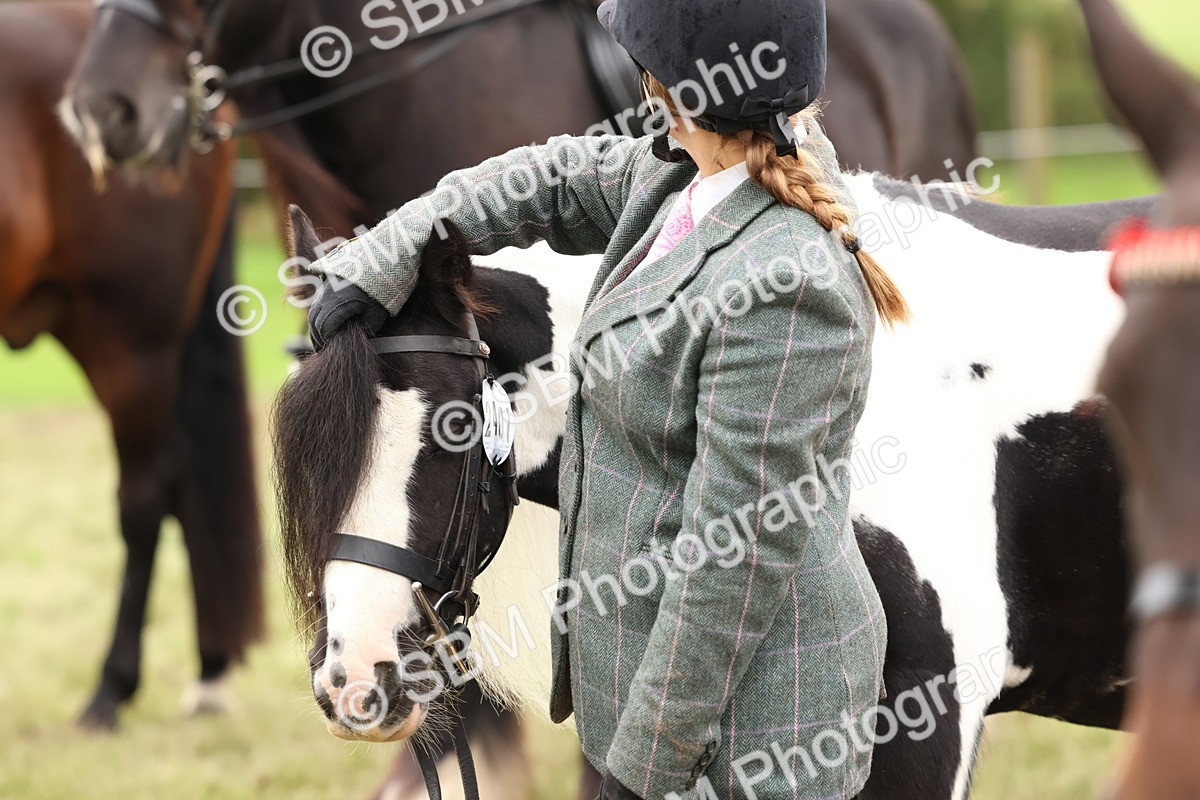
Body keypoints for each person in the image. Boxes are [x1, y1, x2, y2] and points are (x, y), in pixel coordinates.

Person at [306, 1, 908, 796]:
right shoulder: (681, 176)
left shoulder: (787, 285)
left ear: (675, 87)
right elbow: (539, 181)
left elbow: (732, 566)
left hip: (751, 729)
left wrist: (641, 768)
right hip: (656, 693)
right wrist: (376, 260)